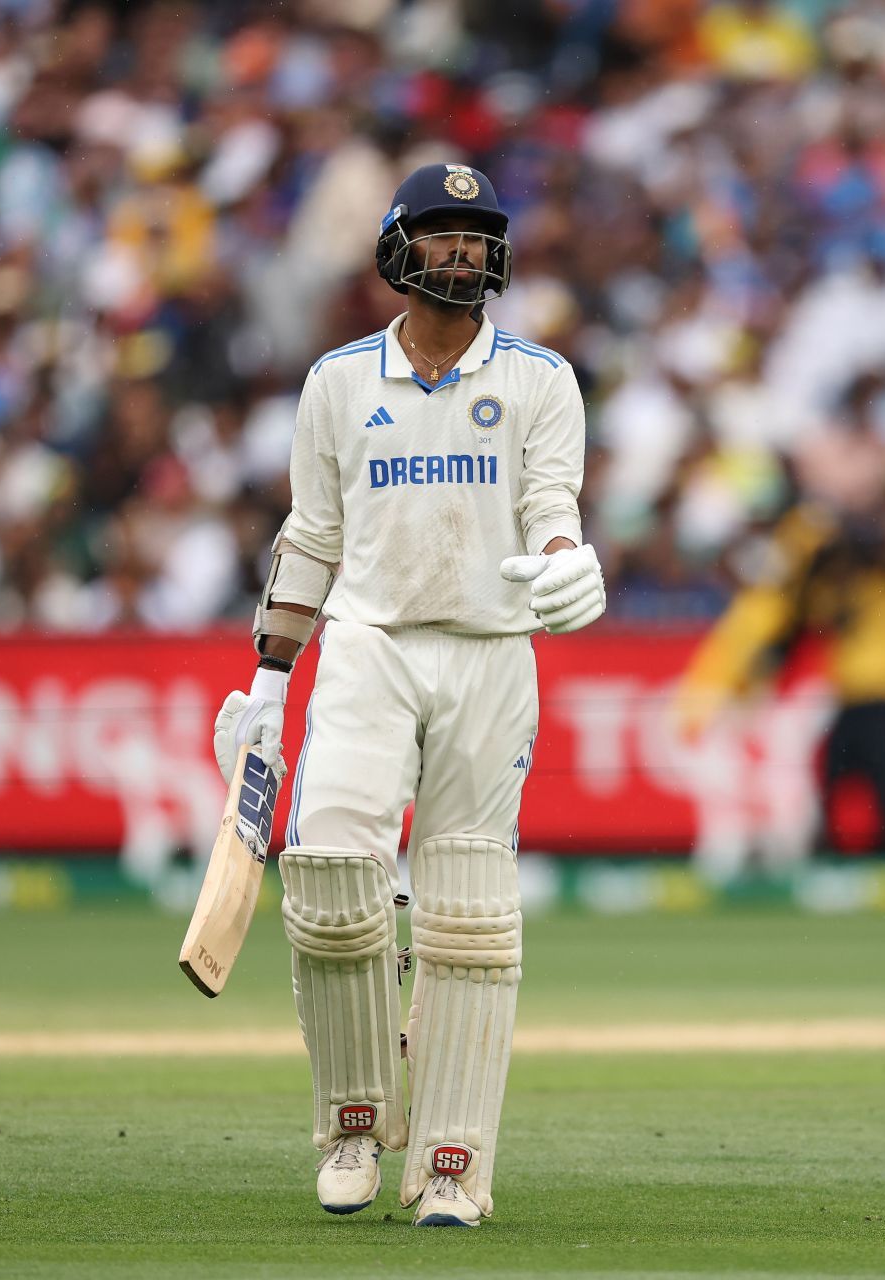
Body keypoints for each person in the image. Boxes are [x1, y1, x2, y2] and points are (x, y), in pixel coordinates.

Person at [210, 162, 606, 1228]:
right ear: (397, 247)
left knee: (468, 914)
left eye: (478, 236)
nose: (464, 252)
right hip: (369, 642)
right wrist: (264, 682)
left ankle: (452, 1162)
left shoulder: (540, 377)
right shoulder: (338, 380)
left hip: (489, 648)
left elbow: (549, 501)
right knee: (334, 872)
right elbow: (313, 538)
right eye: (442, 233)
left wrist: (569, 556)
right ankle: (352, 1122)